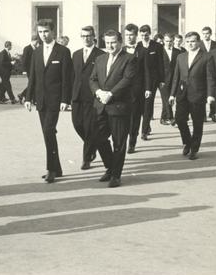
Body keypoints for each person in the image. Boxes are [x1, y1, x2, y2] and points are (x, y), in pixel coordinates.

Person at [24, 20, 72, 183]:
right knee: (48, 133)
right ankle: (57, 168)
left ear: (53, 31)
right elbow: (33, 76)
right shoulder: (36, 52)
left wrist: (66, 99)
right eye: (40, 32)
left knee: (48, 131)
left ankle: (51, 169)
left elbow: (67, 78)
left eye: (46, 31)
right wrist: (28, 97)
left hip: (55, 99)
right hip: (40, 99)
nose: (43, 35)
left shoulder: (63, 52)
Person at [89, 30, 136, 187]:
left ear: (120, 42)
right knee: (98, 138)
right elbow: (92, 79)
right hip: (101, 106)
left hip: (118, 106)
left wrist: (111, 94)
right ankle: (110, 167)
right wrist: (98, 91)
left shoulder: (129, 59)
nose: (110, 45)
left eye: (113, 42)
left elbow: (127, 79)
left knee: (119, 142)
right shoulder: (100, 58)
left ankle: (116, 175)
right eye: (107, 42)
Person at [169, 31, 216, 160]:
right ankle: (188, 142)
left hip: (198, 95)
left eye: (193, 41)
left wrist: (210, 95)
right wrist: (172, 94)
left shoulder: (206, 56)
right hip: (182, 94)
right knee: (179, 119)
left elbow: (210, 77)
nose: (190, 44)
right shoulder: (181, 57)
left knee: (197, 123)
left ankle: (194, 149)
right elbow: (176, 77)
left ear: (198, 42)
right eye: (188, 41)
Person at [71, 26, 104, 170]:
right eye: (83, 36)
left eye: (89, 36)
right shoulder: (76, 54)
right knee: (77, 124)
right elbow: (72, 76)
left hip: (92, 97)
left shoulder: (101, 55)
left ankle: (87, 158)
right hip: (77, 96)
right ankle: (93, 145)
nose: (86, 38)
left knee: (89, 127)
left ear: (94, 37)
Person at [122, 23, 151, 154]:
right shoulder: (120, 50)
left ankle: (132, 143)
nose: (129, 37)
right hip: (121, 91)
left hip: (137, 91)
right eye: (126, 35)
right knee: (122, 118)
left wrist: (148, 88)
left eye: (131, 35)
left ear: (136, 35)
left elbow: (147, 71)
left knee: (135, 118)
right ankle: (121, 142)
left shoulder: (143, 51)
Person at [137, 24, 164, 140]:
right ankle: (147, 126)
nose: (144, 37)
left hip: (152, 80)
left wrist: (162, 80)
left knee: (148, 104)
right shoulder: (138, 46)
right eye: (142, 35)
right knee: (141, 106)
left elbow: (160, 64)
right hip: (139, 80)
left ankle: (144, 131)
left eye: (146, 35)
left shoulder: (157, 46)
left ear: (150, 34)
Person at [159, 33, 181, 126]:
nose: (168, 43)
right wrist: (160, 80)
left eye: (170, 41)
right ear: (163, 41)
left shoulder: (177, 52)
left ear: (173, 41)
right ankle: (171, 118)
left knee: (168, 99)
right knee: (167, 99)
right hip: (163, 80)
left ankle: (163, 118)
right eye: (167, 41)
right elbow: (157, 67)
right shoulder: (160, 51)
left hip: (175, 79)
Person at [200, 26, 216, 122]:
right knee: (202, 94)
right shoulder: (198, 44)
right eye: (204, 33)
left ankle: (213, 113)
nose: (205, 35)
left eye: (207, 33)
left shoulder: (215, 44)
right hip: (201, 72)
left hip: (213, 71)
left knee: (212, 92)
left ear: (210, 34)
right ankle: (202, 115)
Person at [17, 36, 39, 103]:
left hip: (35, 70)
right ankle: (32, 99)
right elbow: (24, 60)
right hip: (29, 69)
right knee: (33, 84)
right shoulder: (27, 48)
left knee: (33, 84)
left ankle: (22, 95)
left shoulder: (36, 48)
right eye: (36, 41)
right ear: (33, 41)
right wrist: (24, 70)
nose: (37, 43)